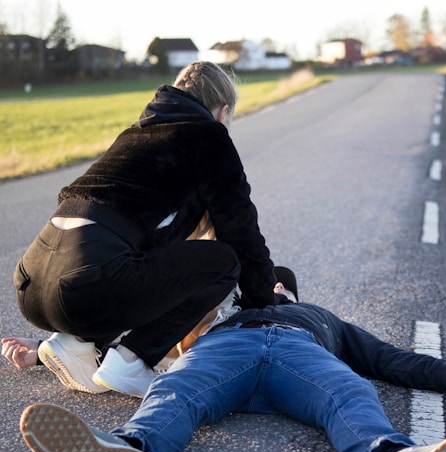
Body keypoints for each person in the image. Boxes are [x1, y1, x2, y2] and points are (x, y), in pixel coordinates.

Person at [18, 271, 446, 452]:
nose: (272, 287)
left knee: (351, 391)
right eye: (264, 282)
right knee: (175, 389)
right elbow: (132, 336)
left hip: (298, 357)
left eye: (279, 283)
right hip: (225, 352)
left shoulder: (318, 317)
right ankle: (131, 450)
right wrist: (40, 352)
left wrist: (445, 372)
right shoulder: (219, 316)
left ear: (292, 292)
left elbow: (382, 357)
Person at [12, 61, 282, 399]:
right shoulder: (208, 135)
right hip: (86, 284)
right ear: (223, 111)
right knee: (224, 261)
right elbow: (241, 232)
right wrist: (266, 302)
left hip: (32, 282)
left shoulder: (134, 135)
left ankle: (73, 343)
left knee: (137, 262)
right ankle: (131, 360)